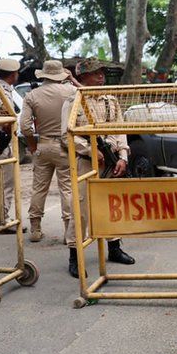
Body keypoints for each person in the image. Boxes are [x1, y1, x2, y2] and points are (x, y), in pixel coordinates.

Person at [61, 61, 134, 278]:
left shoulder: (110, 101)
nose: (101, 77)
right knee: (80, 210)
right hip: (85, 162)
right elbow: (67, 136)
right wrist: (92, 151)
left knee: (110, 206)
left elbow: (120, 130)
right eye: (95, 74)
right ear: (83, 77)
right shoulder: (73, 102)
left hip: (111, 161)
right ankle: (75, 256)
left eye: (101, 73)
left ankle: (114, 248)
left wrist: (122, 156)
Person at [21, 60, 76, 244]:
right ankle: (69, 232)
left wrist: (33, 146)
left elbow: (25, 127)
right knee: (67, 188)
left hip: (43, 145)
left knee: (38, 188)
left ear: (43, 74)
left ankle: (35, 229)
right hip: (65, 146)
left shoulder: (32, 95)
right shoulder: (71, 92)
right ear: (61, 74)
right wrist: (73, 80)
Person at [0, 58, 24, 234]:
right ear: (13, 74)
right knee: (5, 183)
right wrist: (10, 120)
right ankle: (1, 219)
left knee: (1, 182)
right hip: (2, 140)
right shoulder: (2, 89)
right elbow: (6, 109)